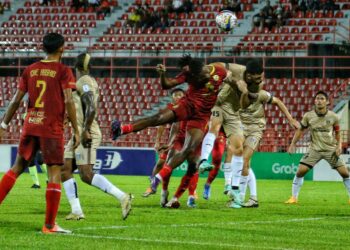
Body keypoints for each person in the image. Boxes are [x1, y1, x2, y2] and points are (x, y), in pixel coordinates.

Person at [111, 55, 254, 204]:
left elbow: (233, 80)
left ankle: (160, 181)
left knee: (188, 149)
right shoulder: (189, 74)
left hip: (201, 117)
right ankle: (122, 129)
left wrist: (242, 88)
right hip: (188, 105)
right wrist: (162, 75)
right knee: (158, 118)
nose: (193, 80)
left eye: (196, 77)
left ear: (203, 71)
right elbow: (168, 84)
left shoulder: (218, 71)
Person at [0, 33, 79, 234]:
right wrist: (77, 130)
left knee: (16, 167)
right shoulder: (63, 70)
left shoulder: (30, 70)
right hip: (51, 128)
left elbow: (16, 100)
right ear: (62, 48)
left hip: (31, 124)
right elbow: (69, 101)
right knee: (54, 173)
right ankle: (50, 226)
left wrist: (3, 125)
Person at [61, 53, 132, 221]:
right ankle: (76, 211)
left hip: (87, 132)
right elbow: (82, 107)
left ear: (76, 67)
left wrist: (85, 130)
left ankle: (123, 197)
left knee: (86, 174)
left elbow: (91, 107)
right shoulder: (84, 81)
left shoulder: (84, 81)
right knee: (65, 170)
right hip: (78, 133)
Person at [198, 59, 263, 209]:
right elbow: (219, 65)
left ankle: (235, 191)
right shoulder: (237, 69)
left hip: (234, 112)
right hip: (219, 103)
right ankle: (203, 161)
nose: (260, 80)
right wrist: (208, 70)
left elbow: (245, 105)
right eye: (257, 77)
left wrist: (244, 91)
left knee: (238, 148)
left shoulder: (258, 85)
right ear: (249, 74)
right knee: (214, 126)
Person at [237, 90, 300, 207]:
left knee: (243, 160)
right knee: (246, 164)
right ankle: (253, 198)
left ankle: (239, 198)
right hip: (240, 130)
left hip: (255, 130)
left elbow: (278, 101)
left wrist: (290, 119)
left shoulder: (260, 94)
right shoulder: (235, 93)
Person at [285, 91, 350, 204]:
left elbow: (338, 133)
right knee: (300, 172)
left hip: (330, 149)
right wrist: (292, 143)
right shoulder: (308, 116)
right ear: (314, 101)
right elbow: (300, 130)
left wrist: (338, 146)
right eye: (317, 98)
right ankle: (294, 198)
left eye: (322, 99)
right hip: (314, 149)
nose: (319, 101)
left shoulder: (333, 117)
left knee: (345, 173)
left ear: (327, 102)